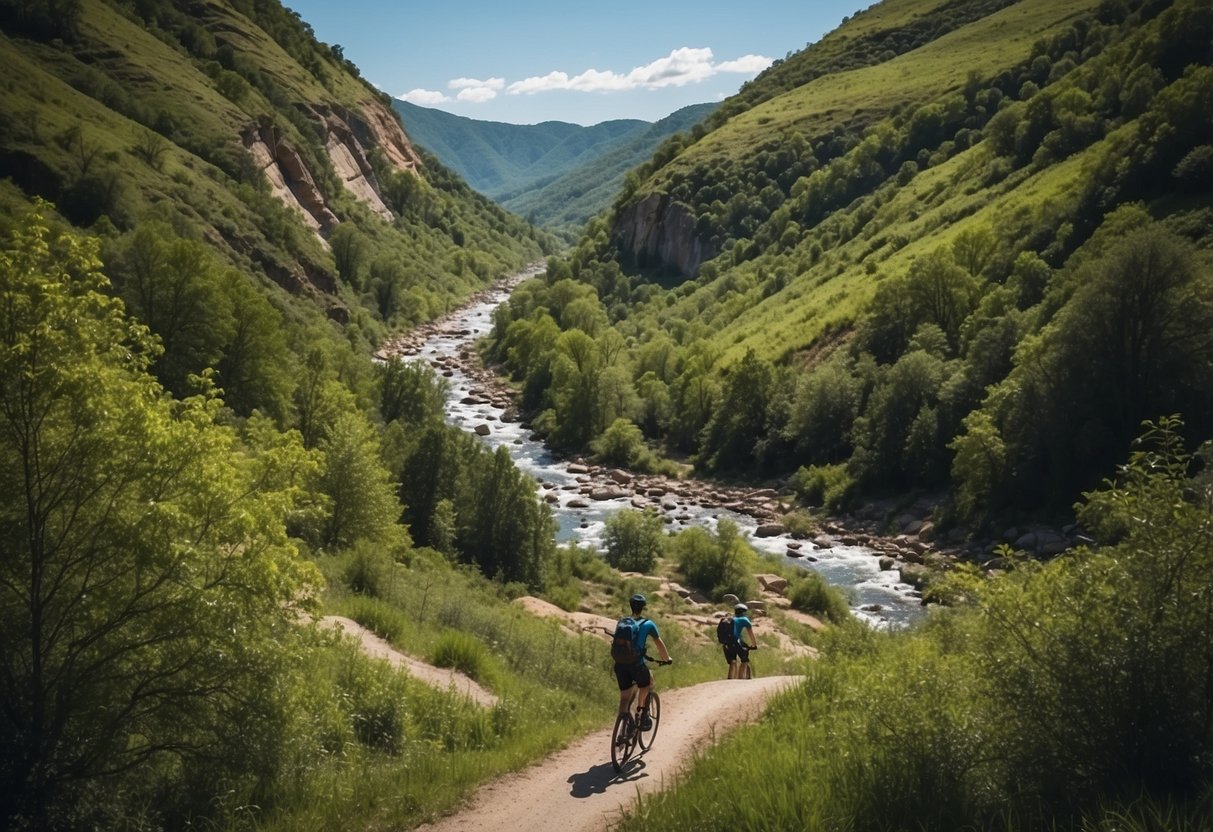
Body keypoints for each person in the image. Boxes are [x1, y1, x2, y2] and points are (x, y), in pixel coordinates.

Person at [614, 593, 671, 731]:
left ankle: (625, 724)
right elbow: (658, 643)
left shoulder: (622, 622)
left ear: (631, 606)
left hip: (620, 665)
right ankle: (640, 712)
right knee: (647, 684)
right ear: (643, 608)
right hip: (637, 665)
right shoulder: (648, 624)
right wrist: (667, 659)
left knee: (625, 697)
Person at [728, 603, 758, 680]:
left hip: (727, 643)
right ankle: (740, 681)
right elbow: (751, 634)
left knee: (733, 661)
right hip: (736, 641)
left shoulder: (731, 619)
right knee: (744, 660)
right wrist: (754, 645)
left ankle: (729, 681)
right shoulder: (744, 619)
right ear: (743, 612)